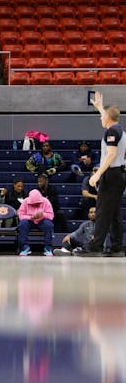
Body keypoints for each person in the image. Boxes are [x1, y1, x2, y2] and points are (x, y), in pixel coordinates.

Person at [76, 91, 126, 258]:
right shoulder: (118, 129)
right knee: (114, 212)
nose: (100, 118)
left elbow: (111, 155)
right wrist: (99, 107)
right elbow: (109, 117)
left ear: (108, 119)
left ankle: (95, 247)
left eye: (102, 116)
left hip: (111, 175)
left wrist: (97, 175)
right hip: (119, 174)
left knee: (103, 211)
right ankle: (117, 247)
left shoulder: (112, 132)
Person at [17, 189, 55, 257]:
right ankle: (24, 247)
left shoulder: (46, 201)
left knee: (48, 225)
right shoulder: (25, 201)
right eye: (34, 203)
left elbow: (51, 216)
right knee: (22, 224)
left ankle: (48, 247)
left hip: (42, 221)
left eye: (38, 203)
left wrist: (43, 214)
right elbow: (21, 215)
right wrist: (31, 218)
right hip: (30, 221)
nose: (36, 204)